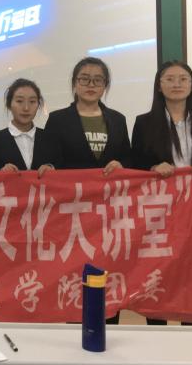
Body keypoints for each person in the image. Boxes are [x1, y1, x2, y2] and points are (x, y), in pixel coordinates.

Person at [131, 60, 192, 326]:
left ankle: (191, 341)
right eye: (169, 79)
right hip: (159, 214)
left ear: (191, 85)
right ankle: (157, 338)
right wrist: (152, 168)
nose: (176, 84)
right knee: (157, 276)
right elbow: (134, 166)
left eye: (183, 79)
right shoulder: (144, 123)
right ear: (159, 86)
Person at [44, 56, 130, 325]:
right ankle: (74, 329)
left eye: (98, 80)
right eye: (84, 79)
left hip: (109, 213)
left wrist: (122, 165)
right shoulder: (58, 119)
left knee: (108, 271)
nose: (91, 85)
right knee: (74, 273)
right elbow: (50, 160)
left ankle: (109, 325)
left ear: (105, 85)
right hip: (73, 213)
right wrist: (48, 167)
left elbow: (129, 159)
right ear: (74, 83)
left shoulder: (118, 120)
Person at [0, 78, 60, 175]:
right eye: (19, 101)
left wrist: (52, 169)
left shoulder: (51, 139)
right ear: (9, 104)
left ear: (38, 105)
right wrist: (1, 172)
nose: (26, 108)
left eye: (32, 101)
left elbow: (63, 169)